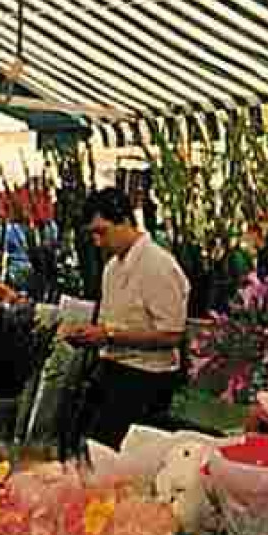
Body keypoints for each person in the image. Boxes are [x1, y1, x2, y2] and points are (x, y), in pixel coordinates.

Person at [60, 187, 190, 449]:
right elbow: (113, 324)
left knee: (112, 457)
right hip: (111, 370)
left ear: (126, 221)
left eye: (102, 231)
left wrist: (108, 335)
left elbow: (172, 335)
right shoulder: (113, 267)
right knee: (82, 444)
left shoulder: (157, 264)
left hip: (145, 379)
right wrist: (91, 335)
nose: (98, 241)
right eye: (93, 234)